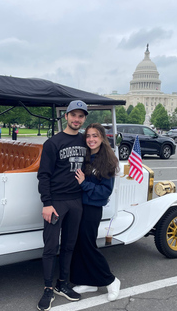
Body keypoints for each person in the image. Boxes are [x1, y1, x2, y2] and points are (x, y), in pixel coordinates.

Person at [36, 100, 88, 311]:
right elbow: (44, 175)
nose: (77, 119)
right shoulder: (53, 143)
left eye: (81, 116)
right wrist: (47, 203)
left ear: (84, 119)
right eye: (73, 115)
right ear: (66, 116)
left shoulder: (86, 141)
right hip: (56, 202)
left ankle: (62, 284)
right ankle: (48, 288)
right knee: (50, 246)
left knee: (69, 245)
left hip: (76, 200)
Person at [69, 123, 121, 301]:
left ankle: (111, 280)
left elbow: (105, 191)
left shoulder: (108, 159)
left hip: (92, 208)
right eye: (88, 136)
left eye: (95, 136)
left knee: (88, 245)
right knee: (79, 244)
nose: (91, 139)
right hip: (78, 205)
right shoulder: (84, 155)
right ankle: (89, 282)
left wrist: (84, 184)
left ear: (102, 138)